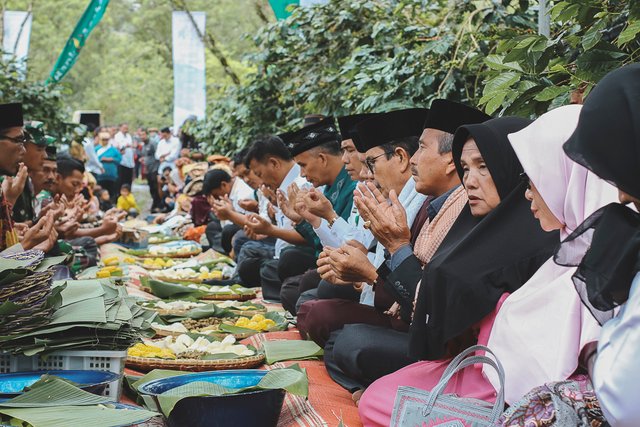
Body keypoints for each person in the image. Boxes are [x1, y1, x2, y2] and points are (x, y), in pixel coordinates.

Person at [357, 116, 559, 425]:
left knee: (363, 365)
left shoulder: (542, 237)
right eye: (466, 168)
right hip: (460, 361)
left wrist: (397, 248)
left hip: (502, 382)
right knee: (372, 386)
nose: (470, 181)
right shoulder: (472, 223)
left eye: (483, 166)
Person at [504, 63, 640, 427]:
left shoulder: (616, 245)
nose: (616, 188)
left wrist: (598, 351)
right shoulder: (607, 241)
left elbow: (622, 397)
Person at [276, 116, 358, 313]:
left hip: (355, 272)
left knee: (304, 287)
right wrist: (302, 218)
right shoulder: (329, 188)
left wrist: (313, 218)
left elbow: (346, 246)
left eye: (303, 165)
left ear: (322, 158)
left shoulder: (354, 186)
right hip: (333, 265)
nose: (302, 174)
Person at [238, 135, 312, 300]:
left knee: (284, 261)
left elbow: (307, 237)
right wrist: (266, 230)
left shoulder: (300, 185)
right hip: (283, 251)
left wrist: (270, 230)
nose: (260, 180)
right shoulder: (281, 186)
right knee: (250, 259)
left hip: (302, 255)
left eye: (259, 173)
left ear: (274, 163)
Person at [202, 168, 254, 254]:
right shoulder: (231, 190)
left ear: (224, 185)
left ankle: (226, 253)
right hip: (235, 222)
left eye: (216, 195)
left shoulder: (243, 194)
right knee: (212, 226)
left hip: (247, 226)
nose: (217, 198)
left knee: (228, 230)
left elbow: (247, 222)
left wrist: (230, 213)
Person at [95, 131, 122, 201]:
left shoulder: (113, 150)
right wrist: (101, 159)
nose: (105, 141)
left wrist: (111, 159)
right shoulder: (97, 149)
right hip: (100, 175)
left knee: (112, 191)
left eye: (106, 140)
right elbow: (93, 159)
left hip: (111, 175)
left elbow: (119, 159)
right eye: (103, 140)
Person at [114, 123, 135, 189]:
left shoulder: (128, 136)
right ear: (120, 128)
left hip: (130, 161)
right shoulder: (117, 136)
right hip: (122, 161)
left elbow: (131, 145)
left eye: (127, 128)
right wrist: (126, 145)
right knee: (122, 180)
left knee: (129, 180)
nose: (126, 130)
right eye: (124, 128)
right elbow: (119, 146)